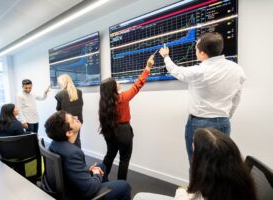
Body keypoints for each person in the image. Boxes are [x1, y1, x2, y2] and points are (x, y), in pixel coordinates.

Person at [159, 32, 246, 162]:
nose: (195, 51)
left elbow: (176, 71)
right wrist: (225, 116)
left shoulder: (199, 71)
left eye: (196, 49)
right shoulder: (238, 70)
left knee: (197, 165)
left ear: (203, 54)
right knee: (221, 164)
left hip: (199, 125)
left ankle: (198, 183)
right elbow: (236, 99)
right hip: (224, 123)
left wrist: (166, 56)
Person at [133, 128, 257, 200]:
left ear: (203, 162)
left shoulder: (208, 189)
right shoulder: (237, 183)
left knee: (139, 197)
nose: (192, 148)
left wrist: (181, 191)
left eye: (194, 147)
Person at [44, 111, 131, 200]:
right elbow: (89, 189)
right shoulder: (72, 153)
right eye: (73, 120)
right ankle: (101, 194)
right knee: (125, 186)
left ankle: (104, 194)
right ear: (69, 132)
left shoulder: (54, 144)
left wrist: (86, 171)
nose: (76, 118)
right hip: (78, 194)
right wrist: (96, 174)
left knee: (102, 166)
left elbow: (68, 169)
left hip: (68, 184)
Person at [99, 55, 154, 180]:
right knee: (124, 160)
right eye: (116, 83)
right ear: (113, 88)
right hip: (123, 132)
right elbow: (137, 85)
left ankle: (100, 178)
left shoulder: (103, 103)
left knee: (109, 155)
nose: (118, 83)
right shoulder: (122, 98)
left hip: (109, 132)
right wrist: (147, 68)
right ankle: (121, 185)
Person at [55, 74, 83, 148]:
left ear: (62, 82)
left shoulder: (60, 94)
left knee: (67, 141)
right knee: (77, 139)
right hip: (77, 120)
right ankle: (78, 157)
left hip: (67, 121)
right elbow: (81, 105)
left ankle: (69, 158)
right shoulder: (79, 92)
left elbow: (58, 109)